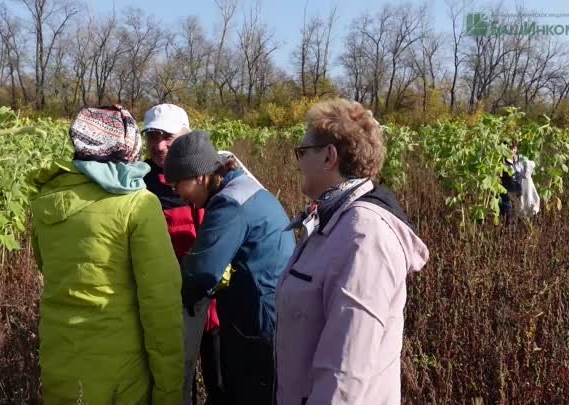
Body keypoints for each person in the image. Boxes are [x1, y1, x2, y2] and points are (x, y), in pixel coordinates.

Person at [275, 99, 429, 405]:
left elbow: (346, 373)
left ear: (329, 156)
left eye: (303, 152)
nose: (298, 162)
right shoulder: (332, 219)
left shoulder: (364, 236)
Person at [30, 105, 183, 405]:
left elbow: (47, 268)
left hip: (60, 363)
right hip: (122, 375)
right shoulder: (138, 204)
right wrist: (168, 390)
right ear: (129, 149)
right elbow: (161, 306)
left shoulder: (46, 198)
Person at [164, 131, 296, 405]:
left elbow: (201, 272)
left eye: (178, 183)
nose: (176, 191)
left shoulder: (228, 204)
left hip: (256, 321)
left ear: (200, 176)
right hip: (273, 309)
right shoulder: (244, 186)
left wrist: (174, 300)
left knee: (252, 393)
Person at [141, 103, 224, 405]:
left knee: (219, 380)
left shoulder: (210, 177)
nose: (159, 145)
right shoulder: (141, 185)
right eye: (152, 136)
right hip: (170, 303)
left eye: (168, 137)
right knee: (177, 382)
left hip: (214, 305)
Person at [500, 141, 523, 221]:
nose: (512, 151)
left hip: (518, 192)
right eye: (510, 148)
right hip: (507, 193)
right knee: (508, 216)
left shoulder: (520, 159)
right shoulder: (502, 162)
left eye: (514, 148)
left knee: (519, 216)